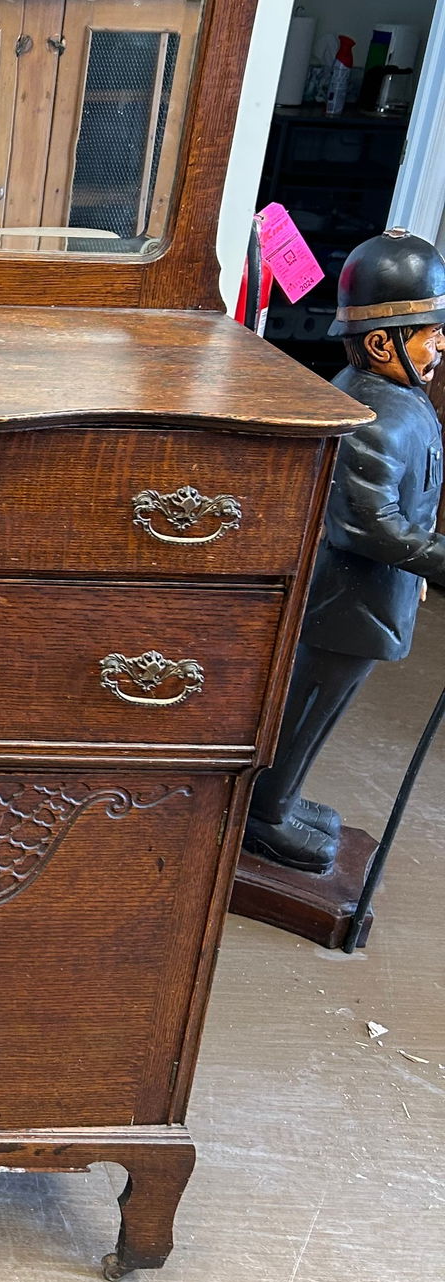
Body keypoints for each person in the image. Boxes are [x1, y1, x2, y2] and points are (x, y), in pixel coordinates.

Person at [245, 228, 445, 873]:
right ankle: (265, 816)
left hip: (374, 598)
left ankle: (282, 798)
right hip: (346, 604)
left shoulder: (404, 400)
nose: (440, 342)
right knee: (307, 705)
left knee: (324, 705)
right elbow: (370, 529)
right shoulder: (373, 416)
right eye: (428, 330)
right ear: (383, 343)